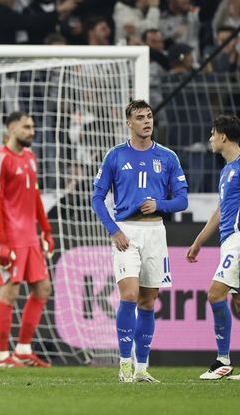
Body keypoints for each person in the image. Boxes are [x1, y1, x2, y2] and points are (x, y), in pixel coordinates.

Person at [91, 100, 189, 382]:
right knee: (130, 296)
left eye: (149, 117)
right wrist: (113, 230)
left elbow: (182, 199)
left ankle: (142, 369)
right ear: (128, 123)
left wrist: (159, 204)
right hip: (126, 233)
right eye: (139, 117)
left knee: (148, 303)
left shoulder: (168, 157)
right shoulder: (115, 155)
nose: (146, 121)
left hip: (156, 232)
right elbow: (97, 198)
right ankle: (124, 365)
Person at [186, 115, 240, 381]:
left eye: (212, 134)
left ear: (222, 136)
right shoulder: (226, 171)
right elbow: (220, 213)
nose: (210, 139)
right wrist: (199, 242)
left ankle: (223, 360)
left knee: (214, 294)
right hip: (229, 241)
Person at [0, 112, 55, 368]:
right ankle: (1, 356)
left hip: (30, 236)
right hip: (9, 237)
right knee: (10, 292)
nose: (31, 131)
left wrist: (46, 230)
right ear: (12, 128)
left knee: (43, 288)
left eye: (33, 127)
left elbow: (35, 197)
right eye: (26, 127)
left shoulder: (30, 158)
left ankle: (23, 349)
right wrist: (2, 242)